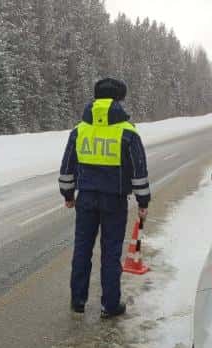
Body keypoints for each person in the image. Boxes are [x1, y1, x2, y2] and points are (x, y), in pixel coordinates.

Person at [58, 78, 151, 318]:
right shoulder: (127, 132)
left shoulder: (80, 130)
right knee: (110, 253)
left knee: (82, 249)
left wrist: (68, 194)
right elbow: (139, 170)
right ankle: (110, 305)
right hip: (114, 201)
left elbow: (67, 166)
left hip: (86, 198)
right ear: (119, 99)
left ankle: (78, 301)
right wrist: (143, 201)